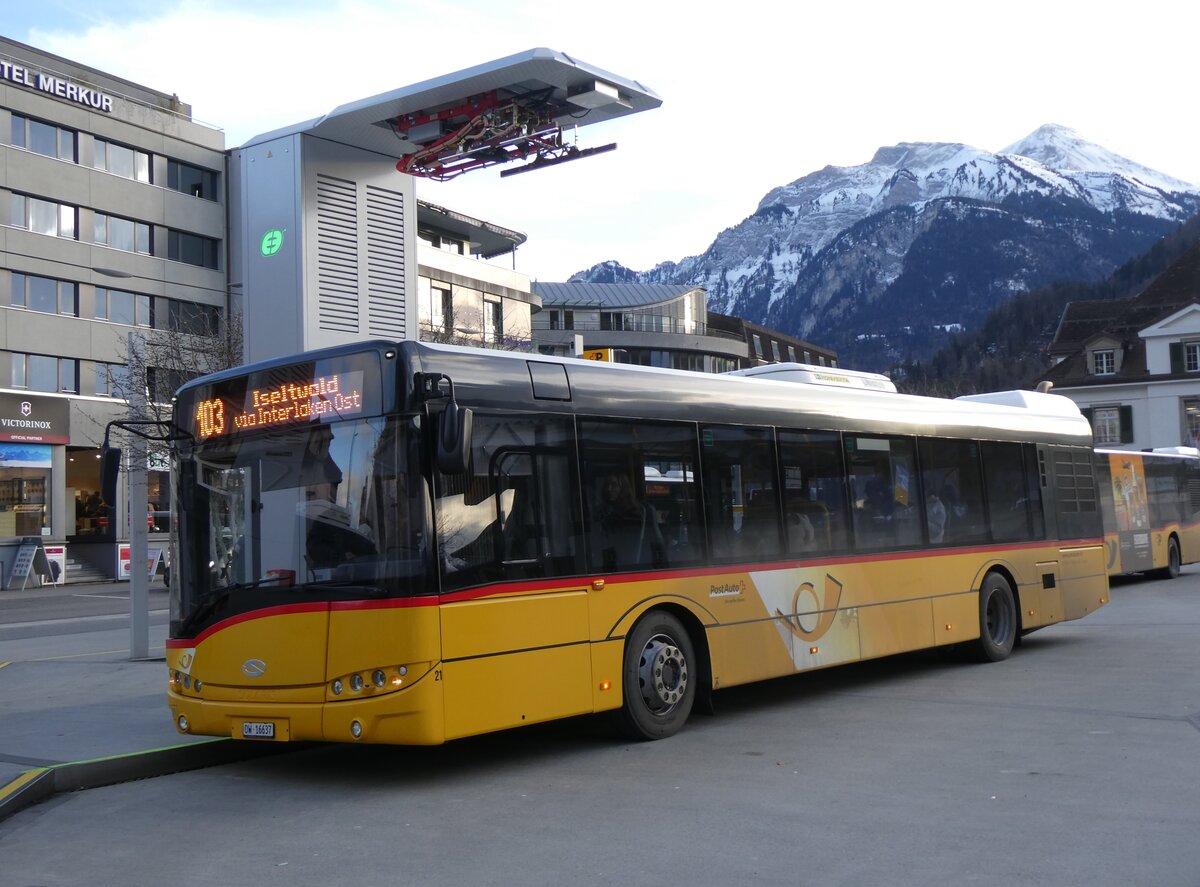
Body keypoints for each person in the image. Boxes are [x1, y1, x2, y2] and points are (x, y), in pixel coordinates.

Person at [595, 472, 665, 570]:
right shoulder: (604, 513)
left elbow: (657, 541)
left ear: (623, 488)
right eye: (607, 485)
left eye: (614, 485)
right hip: (614, 568)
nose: (609, 489)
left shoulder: (643, 511)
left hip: (641, 567)